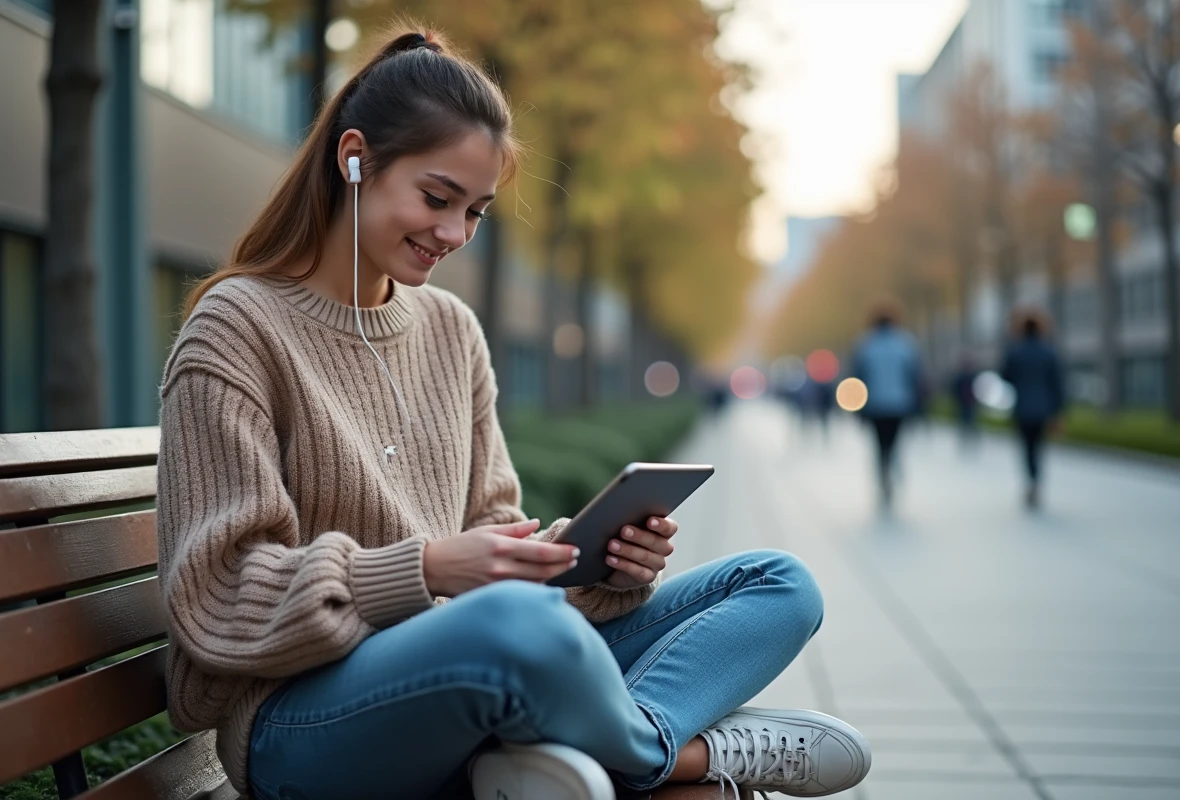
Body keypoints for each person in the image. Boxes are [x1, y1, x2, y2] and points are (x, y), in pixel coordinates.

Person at [156, 25, 871, 800]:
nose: (453, 234)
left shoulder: (452, 332)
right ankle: (678, 757)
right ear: (353, 156)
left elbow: (497, 542)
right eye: (437, 198)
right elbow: (220, 592)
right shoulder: (237, 327)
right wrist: (424, 569)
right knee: (522, 634)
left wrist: (596, 563)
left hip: (480, 676)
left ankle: (623, 746)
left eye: (477, 212)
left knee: (778, 584)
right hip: (300, 724)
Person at [851, 301, 923, 506]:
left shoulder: (865, 345)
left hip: (875, 405)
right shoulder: (906, 344)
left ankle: (883, 474)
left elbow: (859, 379)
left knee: (879, 445)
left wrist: (858, 409)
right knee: (895, 442)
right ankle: (893, 468)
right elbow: (914, 377)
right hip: (900, 404)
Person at [1001, 309, 1065, 510]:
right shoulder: (1049, 352)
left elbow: (1006, 377)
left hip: (1022, 408)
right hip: (1044, 408)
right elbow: (1057, 383)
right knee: (1039, 446)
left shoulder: (1015, 351)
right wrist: (1057, 411)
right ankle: (1037, 480)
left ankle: (1030, 480)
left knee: (1026, 447)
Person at [949, 350, 981, 450]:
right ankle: (966, 439)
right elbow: (955, 390)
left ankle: (971, 439)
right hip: (963, 402)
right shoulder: (960, 376)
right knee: (965, 421)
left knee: (970, 421)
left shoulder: (973, 376)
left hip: (970, 402)